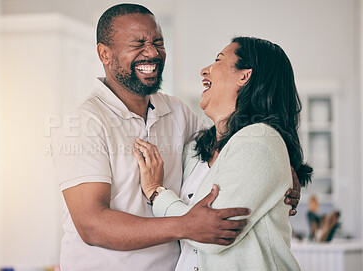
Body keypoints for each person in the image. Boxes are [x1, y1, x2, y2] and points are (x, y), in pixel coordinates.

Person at [51, 4, 300, 271]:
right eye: (138, 44)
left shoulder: (178, 113)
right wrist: (187, 225)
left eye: (158, 42)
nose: (152, 52)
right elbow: (92, 225)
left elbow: (227, 153)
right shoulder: (84, 122)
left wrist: (284, 171)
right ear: (105, 54)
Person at [133, 37, 312, 271]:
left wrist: (156, 192)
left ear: (244, 76)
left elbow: (212, 233)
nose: (204, 70)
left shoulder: (260, 140)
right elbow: (194, 224)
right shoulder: (197, 149)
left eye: (218, 60)